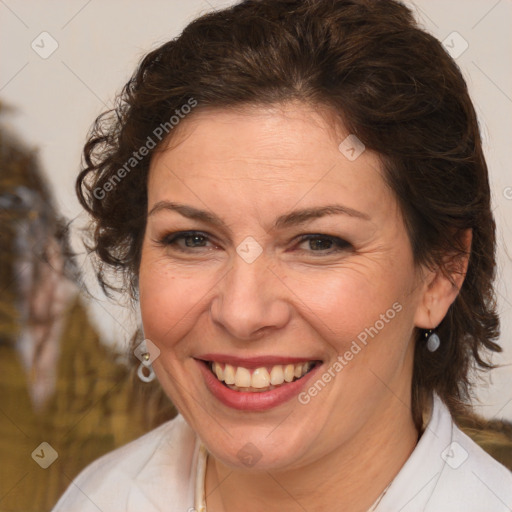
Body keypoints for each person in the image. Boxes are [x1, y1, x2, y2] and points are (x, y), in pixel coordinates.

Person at [52, 0, 512, 510]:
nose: (242, 313)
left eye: (319, 243)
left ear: (440, 275)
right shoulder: (97, 496)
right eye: (193, 239)